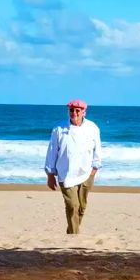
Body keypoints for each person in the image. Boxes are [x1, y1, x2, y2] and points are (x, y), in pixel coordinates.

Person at [44, 99, 103, 234]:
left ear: (84, 112)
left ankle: (71, 232)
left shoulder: (92, 128)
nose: (74, 113)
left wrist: (94, 169)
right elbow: (52, 152)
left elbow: (97, 149)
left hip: (86, 173)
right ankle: (74, 238)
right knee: (72, 206)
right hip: (65, 173)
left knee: (81, 207)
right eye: (71, 110)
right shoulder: (59, 129)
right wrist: (50, 174)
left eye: (78, 110)